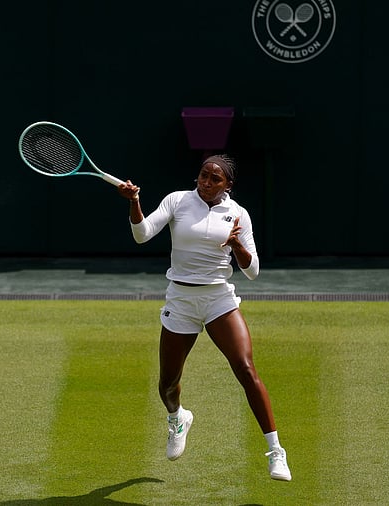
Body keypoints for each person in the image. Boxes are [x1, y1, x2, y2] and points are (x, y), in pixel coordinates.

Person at [116, 154, 291, 481]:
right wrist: (135, 202)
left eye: (215, 179)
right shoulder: (178, 201)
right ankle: (177, 418)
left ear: (228, 185)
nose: (206, 183)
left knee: (246, 368)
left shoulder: (238, 214)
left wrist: (237, 245)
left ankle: (275, 452)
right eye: (203, 176)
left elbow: (252, 272)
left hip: (218, 299)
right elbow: (142, 234)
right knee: (167, 384)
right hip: (180, 300)